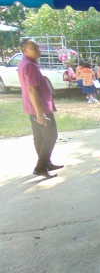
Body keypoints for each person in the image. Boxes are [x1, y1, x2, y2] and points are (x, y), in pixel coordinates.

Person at [18, 38, 63, 178]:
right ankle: (40, 167)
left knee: (39, 136)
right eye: (34, 48)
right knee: (51, 135)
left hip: (33, 106)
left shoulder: (27, 63)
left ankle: (46, 163)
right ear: (24, 50)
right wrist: (40, 112)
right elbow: (32, 89)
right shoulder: (29, 65)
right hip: (39, 107)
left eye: (38, 47)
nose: (38, 50)